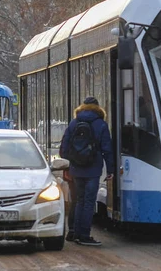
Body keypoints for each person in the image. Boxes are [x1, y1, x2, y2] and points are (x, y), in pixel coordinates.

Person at [61, 96, 114, 246]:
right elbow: (107, 149)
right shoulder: (101, 124)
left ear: (82, 107)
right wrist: (111, 170)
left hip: (76, 169)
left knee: (79, 201)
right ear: (98, 108)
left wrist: (74, 160)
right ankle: (84, 235)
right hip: (93, 169)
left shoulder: (73, 123)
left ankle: (76, 233)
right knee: (89, 203)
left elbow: (64, 149)